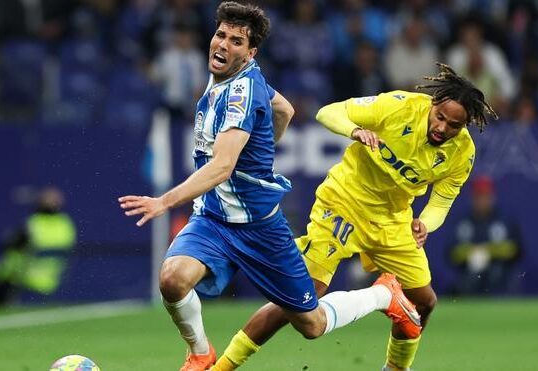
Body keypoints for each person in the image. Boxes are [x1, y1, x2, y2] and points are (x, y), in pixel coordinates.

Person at [118, 2, 421, 370]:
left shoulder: (240, 94)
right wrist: (263, 144)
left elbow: (223, 166)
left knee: (312, 324)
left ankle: (382, 294)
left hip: (260, 228)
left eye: (235, 41)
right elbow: (286, 109)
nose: (223, 45)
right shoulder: (238, 75)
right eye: (221, 35)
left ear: (250, 53)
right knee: (172, 279)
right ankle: (200, 354)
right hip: (214, 219)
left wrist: (164, 201)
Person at [212, 63, 498, 371]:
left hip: (392, 219)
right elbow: (328, 112)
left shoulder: (462, 153)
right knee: (300, 301)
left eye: (454, 125)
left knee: (425, 302)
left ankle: (395, 367)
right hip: (343, 204)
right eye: (440, 117)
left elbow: (442, 201)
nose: (442, 128)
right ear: (433, 104)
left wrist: (424, 223)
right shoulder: (398, 107)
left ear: (465, 124)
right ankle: (222, 367)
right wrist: (355, 130)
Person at [0, 186, 76, 305]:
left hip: (25, 285)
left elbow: (13, 257)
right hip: (52, 285)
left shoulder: (33, 224)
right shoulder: (66, 224)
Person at [448, 175, 522, 296]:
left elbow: (516, 249)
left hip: (499, 272)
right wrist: (472, 253)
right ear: (472, 198)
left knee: (496, 273)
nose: (482, 201)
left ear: (492, 197)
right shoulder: (463, 222)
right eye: (478, 196)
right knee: (471, 275)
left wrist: (487, 252)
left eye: (485, 196)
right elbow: (452, 252)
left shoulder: (504, 220)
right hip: (470, 272)